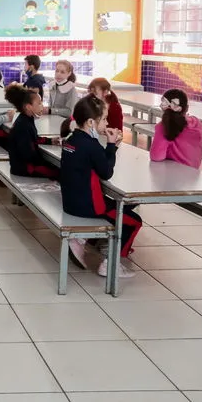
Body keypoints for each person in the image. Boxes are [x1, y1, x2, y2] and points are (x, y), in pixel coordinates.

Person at [60, 95, 141, 278]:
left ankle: (83, 239)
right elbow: (106, 172)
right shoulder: (92, 145)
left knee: (127, 206)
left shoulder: (72, 139)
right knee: (134, 221)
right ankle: (111, 263)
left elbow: (98, 163)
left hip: (71, 202)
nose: (106, 123)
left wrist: (112, 148)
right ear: (90, 122)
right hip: (89, 207)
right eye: (104, 119)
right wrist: (111, 146)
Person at [4, 85, 60, 178]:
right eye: (39, 103)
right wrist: (44, 162)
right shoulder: (23, 125)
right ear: (29, 107)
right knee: (60, 173)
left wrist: (50, 141)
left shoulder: (26, 119)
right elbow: (28, 153)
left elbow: (33, 139)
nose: (42, 106)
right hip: (25, 168)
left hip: (25, 165)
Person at [150, 89, 202, 168]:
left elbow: (156, 156)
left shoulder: (163, 126)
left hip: (172, 174)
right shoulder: (196, 123)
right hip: (194, 173)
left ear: (163, 107)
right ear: (187, 108)